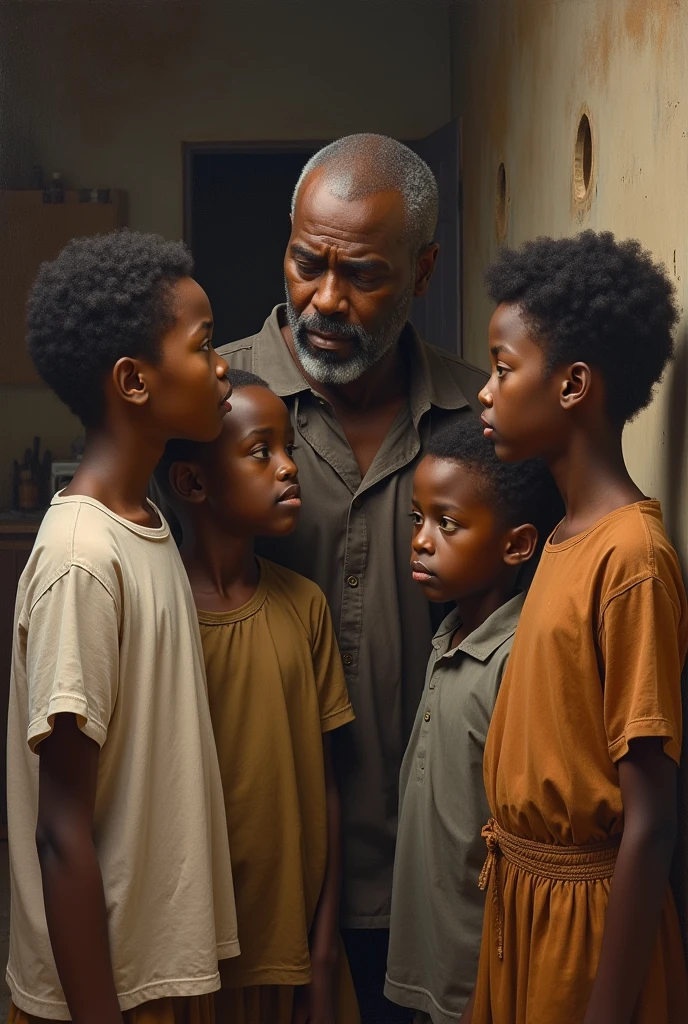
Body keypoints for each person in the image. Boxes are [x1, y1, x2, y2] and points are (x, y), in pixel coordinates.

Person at [214, 134, 487, 1022]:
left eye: (363, 274)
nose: (324, 300)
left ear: (424, 270)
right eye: (306, 263)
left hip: (440, 893)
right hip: (251, 891)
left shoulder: (483, 426)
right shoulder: (206, 412)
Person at [7, 231, 239, 1024]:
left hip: (157, 975)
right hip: (103, 997)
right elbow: (61, 831)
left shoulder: (145, 520)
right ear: (134, 381)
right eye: (204, 345)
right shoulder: (81, 557)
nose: (223, 366)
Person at [466, 230, 688, 1024]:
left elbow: (652, 817)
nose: (486, 392)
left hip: (588, 932)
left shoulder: (631, 556)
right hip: (524, 912)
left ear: (573, 386)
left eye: (502, 367)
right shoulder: (562, 538)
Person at [154, 368, 360, 1024]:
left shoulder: (306, 609)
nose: (288, 468)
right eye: (260, 451)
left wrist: (322, 957)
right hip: (181, 961)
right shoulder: (159, 614)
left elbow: (327, 786)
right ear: (192, 482)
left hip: (290, 956)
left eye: (289, 450)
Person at [384, 416, 564, 1024]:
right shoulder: (450, 637)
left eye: (448, 524)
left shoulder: (517, 658)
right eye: (418, 519)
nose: (422, 540)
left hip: (481, 975)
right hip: (430, 960)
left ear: (516, 545)